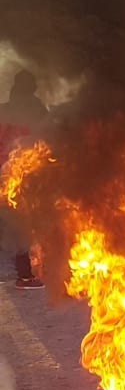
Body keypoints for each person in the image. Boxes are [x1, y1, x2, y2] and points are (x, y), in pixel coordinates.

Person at [0, 70, 47, 289]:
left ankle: (27, 273)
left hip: (6, 172)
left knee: (14, 224)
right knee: (28, 224)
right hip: (29, 174)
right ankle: (27, 275)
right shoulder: (37, 110)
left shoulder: (5, 109)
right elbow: (46, 140)